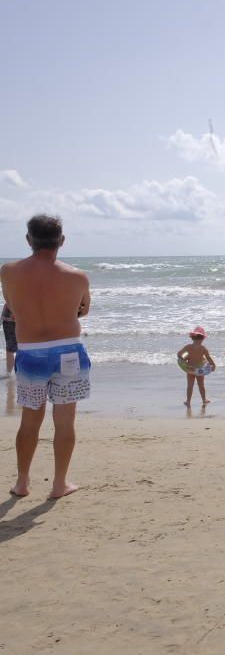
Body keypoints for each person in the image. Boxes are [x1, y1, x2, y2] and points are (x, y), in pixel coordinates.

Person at [0, 214, 91, 499]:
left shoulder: (9, 272)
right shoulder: (77, 276)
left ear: (29, 240)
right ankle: (59, 483)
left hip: (30, 353)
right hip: (68, 352)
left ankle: (23, 482)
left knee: (30, 421)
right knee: (65, 421)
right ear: (61, 241)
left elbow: (12, 307)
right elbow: (83, 309)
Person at [178, 326, 216, 407]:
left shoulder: (188, 347)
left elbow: (179, 355)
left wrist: (185, 358)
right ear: (202, 338)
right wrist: (213, 365)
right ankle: (204, 400)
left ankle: (188, 401)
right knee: (201, 385)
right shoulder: (203, 348)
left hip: (190, 369)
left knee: (190, 386)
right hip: (200, 369)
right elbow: (208, 358)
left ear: (192, 338)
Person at [2, 302, 14, 377]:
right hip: (11, 318)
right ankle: (8, 372)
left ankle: (8, 373)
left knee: (10, 347)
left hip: (10, 319)